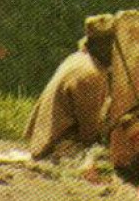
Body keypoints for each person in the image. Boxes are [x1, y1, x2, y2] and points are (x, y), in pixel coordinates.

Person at [25, 14, 115, 160]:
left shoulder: (77, 59)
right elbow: (89, 135)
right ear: (105, 45)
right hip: (58, 148)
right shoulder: (91, 74)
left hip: (43, 142)